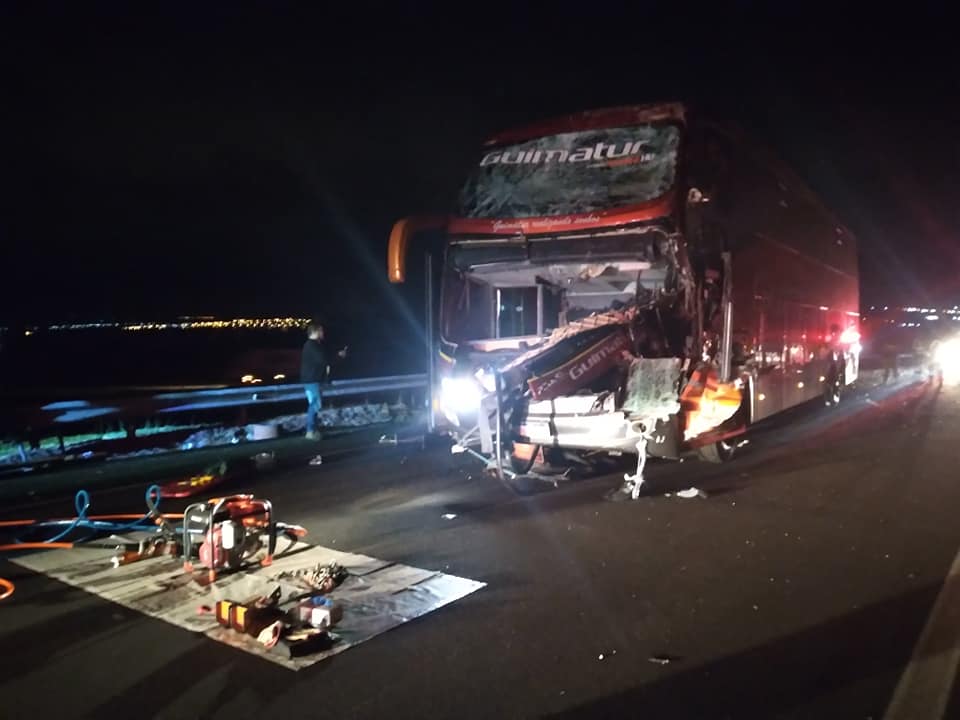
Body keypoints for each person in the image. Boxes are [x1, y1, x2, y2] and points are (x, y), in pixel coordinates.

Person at [300, 322, 347, 440]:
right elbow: (324, 360)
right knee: (315, 404)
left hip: (313, 379)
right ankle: (310, 431)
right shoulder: (312, 345)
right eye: (321, 331)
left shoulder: (314, 345)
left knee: (315, 404)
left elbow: (324, 359)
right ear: (316, 332)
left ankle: (313, 430)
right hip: (312, 380)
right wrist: (339, 356)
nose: (323, 333)